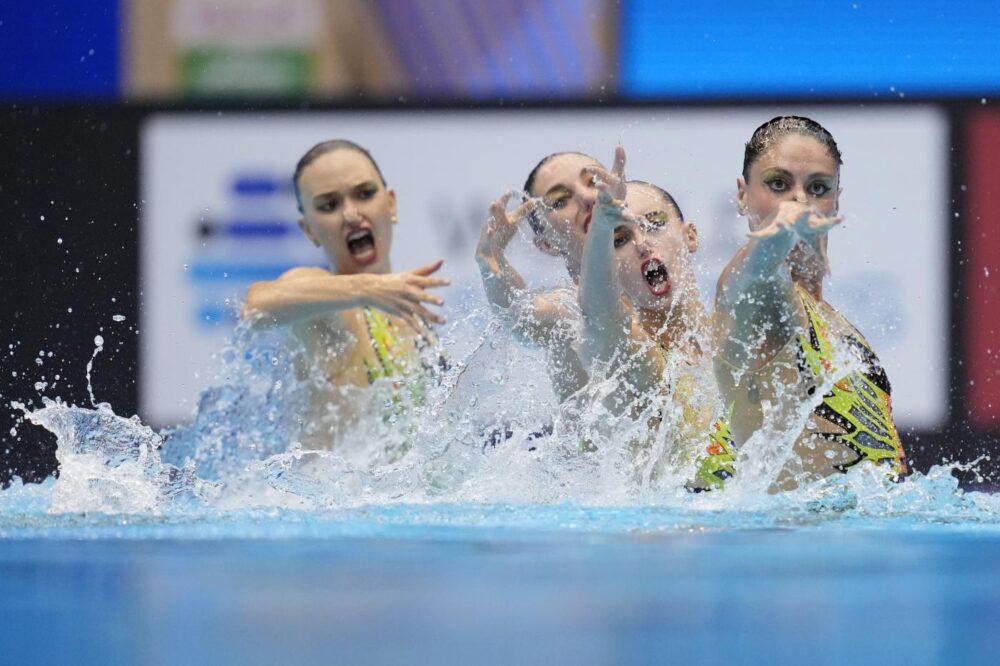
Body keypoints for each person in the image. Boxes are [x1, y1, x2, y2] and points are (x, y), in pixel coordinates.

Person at [692, 116, 906, 491]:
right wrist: (774, 236)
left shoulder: (827, 315)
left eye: (818, 187)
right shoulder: (755, 292)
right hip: (784, 540)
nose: (799, 200)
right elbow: (756, 276)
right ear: (742, 195)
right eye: (778, 184)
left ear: (836, 198)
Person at [241, 139, 449, 451]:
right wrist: (365, 288)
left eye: (365, 194)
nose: (351, 215)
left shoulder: (406, 307)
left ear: (390, 203)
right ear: (308, 229)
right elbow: (255, 306)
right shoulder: (329, 308)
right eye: (329, 205)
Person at [577, 147, 714, 471]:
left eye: (654, 224)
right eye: (620, 239)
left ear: (690, 235)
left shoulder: (730, 337)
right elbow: (598, 311)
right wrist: (600, 228)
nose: (641, 243)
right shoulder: (635, 357)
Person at [475, 151, 604, 403]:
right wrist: (495, 259)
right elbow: (517, 313)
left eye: (595, 182)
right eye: (559, 201)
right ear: (547, 244)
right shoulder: (570, 309)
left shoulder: (664, 281)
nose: (588, 197)